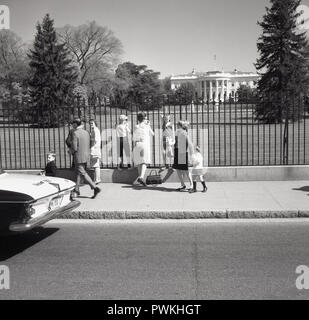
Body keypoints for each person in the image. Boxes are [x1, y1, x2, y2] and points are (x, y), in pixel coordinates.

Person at [71, 118, 101, 199]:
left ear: (75, 124)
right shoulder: (86, 132)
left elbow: (74, 148)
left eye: (72, 124)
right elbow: (90, 143)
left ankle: (95, 188)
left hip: (78, 156)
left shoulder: (75, 133)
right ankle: (76, 190)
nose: (72, 125)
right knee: (79, 173)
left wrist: (70, 151)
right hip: (85, 155)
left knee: (82, 173)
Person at [132, 112, 154, 186]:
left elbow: (133, 138)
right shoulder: (146, 125)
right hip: (144, 145)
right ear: (144, 118)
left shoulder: (136, 126)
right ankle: (141, 177)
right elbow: (153, 134)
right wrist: (149, 125)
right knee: (144, 162)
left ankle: (140, 178)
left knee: (139, 162)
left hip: (137, 145)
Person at [172, 120, 193, 191]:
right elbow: (175, 141)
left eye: (177, 125)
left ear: (180, 126)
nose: (176, 126)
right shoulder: (177, 132)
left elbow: (188, 143)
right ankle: (183, 184)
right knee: (177, 168)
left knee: (185, 170)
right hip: (177, 151)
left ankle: (191, 185)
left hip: (182, 151)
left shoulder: (184, 132)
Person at [89, 119, 102, 184]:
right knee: (96, 165)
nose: (91, 124)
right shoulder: (96, 130)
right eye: (90, 123)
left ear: (95, 123)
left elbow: (95, 140)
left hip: (95, 148)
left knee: (96, 165)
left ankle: (97, 179)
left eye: (92, 123)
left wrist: (90, 138)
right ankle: (96, 179)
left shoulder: (95, 130)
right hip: (96, 148)